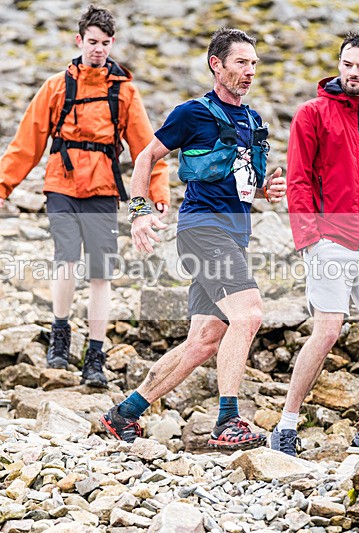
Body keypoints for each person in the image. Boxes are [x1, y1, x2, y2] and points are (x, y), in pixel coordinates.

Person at [100, 27, 287, 449]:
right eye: (241, 62)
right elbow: (146, 156)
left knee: (203, 340)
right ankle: (228, 421)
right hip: (203, 229)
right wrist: (138, 212)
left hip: (234, 234)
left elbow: (239, 180)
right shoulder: (191, 113)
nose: (250, 71)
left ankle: (124, 413)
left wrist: (264, 190)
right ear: (216, 65)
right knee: (250, 314)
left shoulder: (252, 119)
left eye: (254, 63)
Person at [0, 5, 169, 388]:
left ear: (112, 43)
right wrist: (2, 185)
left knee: (101, 274)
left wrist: (157, 190)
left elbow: (146, 148)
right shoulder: (56, 87)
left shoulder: (124, 92)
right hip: (61, 186)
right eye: (92, 42)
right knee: (66, 261)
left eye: (105, 43)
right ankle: (60, 337)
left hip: (103, 188)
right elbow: (28, 141)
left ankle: (95, 356)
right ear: (79, 40)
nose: (98, 49)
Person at [275, 31, 359, 456]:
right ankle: (286, 425)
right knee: (329, 329)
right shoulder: (312, 115)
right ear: (339, 65)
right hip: (329, 241)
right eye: (347, 65)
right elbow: (297, 180)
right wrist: (309, 239)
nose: (354, 73)